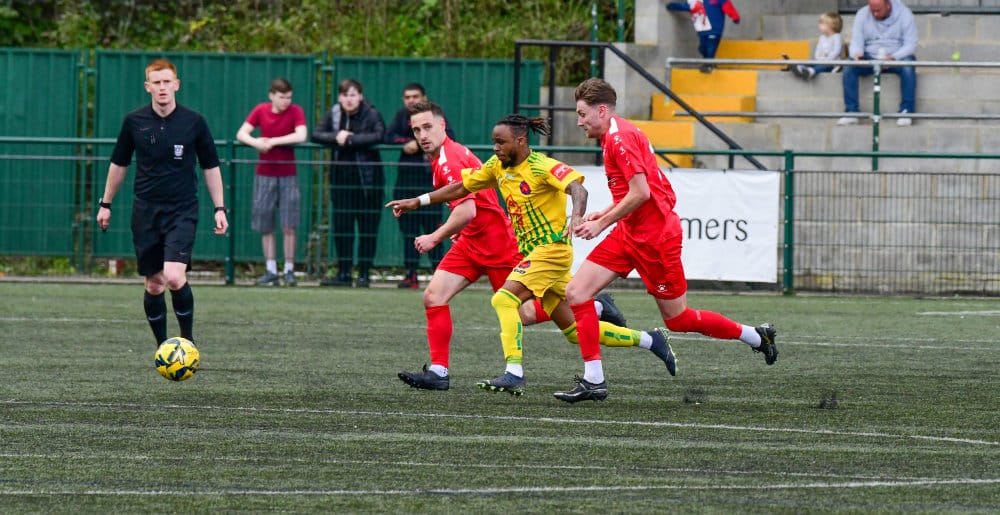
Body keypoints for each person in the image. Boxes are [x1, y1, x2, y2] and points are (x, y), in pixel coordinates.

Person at [390, 102, 675, 392]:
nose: (496, 148)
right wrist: (418, 201)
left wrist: (577, 217)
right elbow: (462, 188)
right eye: (494, 142)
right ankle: (649, 339)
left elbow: (578, 188)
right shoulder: (497, 166)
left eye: (501, 142)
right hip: (531, 253)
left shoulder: (541, 166)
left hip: (551, 252)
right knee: (574, 331)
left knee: (504, 301)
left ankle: (514, 372)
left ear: (520, 140)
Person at [563, 77, 777, 403]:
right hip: (629, 233)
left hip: (655, 239)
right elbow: (634, 191)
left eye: (582, 114)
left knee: (678, 320)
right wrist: (602, 214)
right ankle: (594, 380)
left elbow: (641, 193)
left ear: (602, 111)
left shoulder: (619, 139)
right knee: (577, 292)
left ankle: (756, 336)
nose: (579, 122)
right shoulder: (614, 135)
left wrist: (602, 223)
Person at [95, 58, 228, 347]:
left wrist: (220, 208)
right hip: (145, 211)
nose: (162, 87)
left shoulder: (194, 122)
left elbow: (210, 166)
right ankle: (163, 349)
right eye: (157, 82)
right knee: (155, 283)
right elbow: (119, 164)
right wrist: (106, 204)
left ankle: (188, 343)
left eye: (167, 82)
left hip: (182, 209)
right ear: (148, 87)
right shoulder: (134, 122)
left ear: (177, 84)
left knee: (175, 277)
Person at [312, 78, 386, 287]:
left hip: (368, 184)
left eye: (353, 95)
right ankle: (343, 273)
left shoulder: (371, 114)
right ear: (339, 97)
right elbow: (316, 134)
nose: (349, 99)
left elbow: (380, 135)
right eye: (345, 95)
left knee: (367, 229)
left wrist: (351, 139)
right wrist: (337, 136)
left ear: (360, 96)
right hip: (341, 183)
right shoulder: (334, 114)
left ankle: (364, 274)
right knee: (343, 228)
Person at [236, 77, 308, 287]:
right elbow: (241, 133)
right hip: (264, 175)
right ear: (272, 96)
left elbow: (301, 135)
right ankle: (271, 270)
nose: (286, 101)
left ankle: (289, 270)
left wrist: (273, 142)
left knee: (289, 225)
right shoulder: (261, 110)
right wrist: (256, 143)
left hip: (288, 175)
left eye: (289, 97)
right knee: (265, 223)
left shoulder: (296, 111)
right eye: (282, 97)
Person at [384, 83, 449, 289]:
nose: (411, 100)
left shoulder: (435, 116)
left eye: (415, 96)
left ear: (424, 97)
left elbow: (449, 137)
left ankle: (439, 275)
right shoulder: (401, 116)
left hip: (430, 184)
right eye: (407, 97)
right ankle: (410, 274)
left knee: (433, 231)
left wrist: (420, 145)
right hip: (406, 183)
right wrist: (405, 143)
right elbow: (388, 136)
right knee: (409, 232)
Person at [837, 0, 918, 127]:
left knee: (908, 65)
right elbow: (856, 41)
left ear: (888, 5)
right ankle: (852, 112)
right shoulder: (862, 14)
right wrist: (857, 54)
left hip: (896, 58)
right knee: (849, 66)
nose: (875, 14)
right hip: (870, 57)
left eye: (878, 10)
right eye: (872, 10)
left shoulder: (904, 14)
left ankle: (906, 112)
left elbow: (910, 45)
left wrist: (894, 57)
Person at [666, 0, 741, 73]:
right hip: (703, 32)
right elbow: (686, 6)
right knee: (702, 48)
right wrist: (671, 6)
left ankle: (708, 65)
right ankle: (710, 63)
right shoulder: (696, 1)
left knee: (710, 48)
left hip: (715, 30)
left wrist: (735, 17)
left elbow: (728, 7)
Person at [792, 12, 844, 80]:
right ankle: (800, 67)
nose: (819, 25)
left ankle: (811, 71)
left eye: (822, 23)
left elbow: (836, 52)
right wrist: (818, 59)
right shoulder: (822, 37)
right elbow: (818, 49)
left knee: (822, 67)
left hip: (832, 64)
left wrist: (827, 61)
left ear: (832, 25)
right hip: (821, 61)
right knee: (810, 62)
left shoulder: (837, 37)